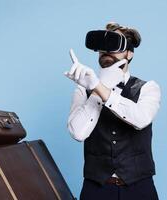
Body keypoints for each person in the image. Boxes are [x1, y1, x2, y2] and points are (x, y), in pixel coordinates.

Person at [64, 22, 161, 200]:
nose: (106, 50)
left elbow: (141, 119)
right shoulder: (82, 90)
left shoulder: (148, 88)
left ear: (129, 53)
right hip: (96, 189)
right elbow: (77, 133)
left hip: (139, 188)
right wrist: (96, 91)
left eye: (114, 45)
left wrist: (101, 88)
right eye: (103, 46)